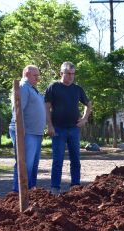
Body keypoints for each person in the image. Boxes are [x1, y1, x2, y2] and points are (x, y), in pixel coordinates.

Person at [44, 61, 92, 194]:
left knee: (75, 159)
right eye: (68, 73)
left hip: (74, 129)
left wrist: (84, 119)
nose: (71, 76)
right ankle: (55, 188)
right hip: (58, 129)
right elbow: (47, 107)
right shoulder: (53, 87)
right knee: (58, 160)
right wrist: (50, 125)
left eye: (73, 74)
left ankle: (75, 186)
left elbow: (88, 104)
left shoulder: (77, 89)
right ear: (61, 73)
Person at [10, 65, 46, 192]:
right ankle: (18, 193)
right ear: (26, 74)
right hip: (27, 133)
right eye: (35, 75)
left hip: (35, 133)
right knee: (24, 164)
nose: (38, 78)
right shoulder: (23, 87)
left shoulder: (32, 88)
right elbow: (18, 111)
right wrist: (21, 132)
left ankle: (30, 191)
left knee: (33, 165)